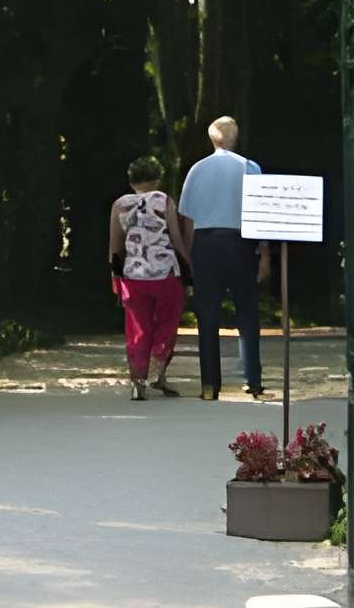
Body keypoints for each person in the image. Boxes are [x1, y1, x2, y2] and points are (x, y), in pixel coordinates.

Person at [176, 115, 265, 402]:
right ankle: (252, 379)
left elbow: (187, 218)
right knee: (247, 312)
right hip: (240, 242)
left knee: (207, 315)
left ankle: (209, 384)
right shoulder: (250, 168)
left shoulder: (197, 169)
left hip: (205, 243)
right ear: (235, 137)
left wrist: (191, 254)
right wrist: (264, 254)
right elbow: (261, 215)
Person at [106, 154, 187, 398]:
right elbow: (176, 239)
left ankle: (137, 382)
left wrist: (115, 276)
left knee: (137, 329)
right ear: (157, 179)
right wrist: (189, 263)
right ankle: (157, 374)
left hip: (133, 276)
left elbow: (115, 246)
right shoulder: (163, 201)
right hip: (165, 275)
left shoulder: (120, 205)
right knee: (166, 324)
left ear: (131, 181)